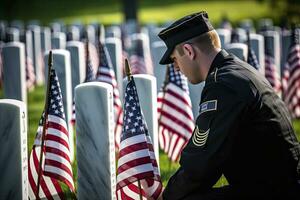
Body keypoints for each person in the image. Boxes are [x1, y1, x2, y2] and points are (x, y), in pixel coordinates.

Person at [157, 11, 300, 200]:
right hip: (276, 185)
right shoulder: (236, 71)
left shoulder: (223, 85)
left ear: (189, 51)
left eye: (175, 59)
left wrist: (166, 196)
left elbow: (203, 163)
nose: (175, 67)